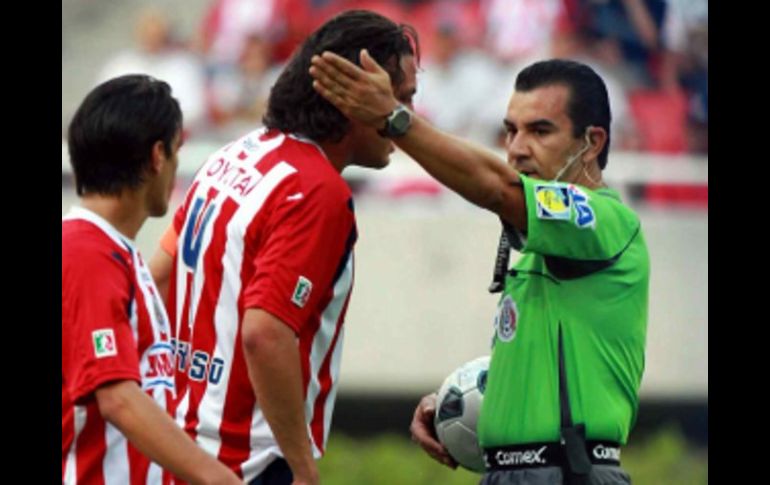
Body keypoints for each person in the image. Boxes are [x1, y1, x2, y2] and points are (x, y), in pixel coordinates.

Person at [309, 54, 649, 484]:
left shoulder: (605, 222)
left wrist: (394, 119)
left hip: (568, 473)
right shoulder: (547, 246)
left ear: (592, 142)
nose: (517, 148)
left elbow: (497, 188)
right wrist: (456, 402)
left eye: (540, 131)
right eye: (511, 130)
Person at [148, 10, 419, 485]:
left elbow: (160, 275)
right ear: (354, 95)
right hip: (249, 462)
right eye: (403, 98)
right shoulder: (317, 191)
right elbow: (265, 332)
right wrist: (302, 467)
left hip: (181, 453)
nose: (408, 118)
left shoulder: (235, 153)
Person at [62, 75, 241, 484]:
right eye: (177, 151)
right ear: (158, 156)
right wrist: (221, 479)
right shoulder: (85, 253)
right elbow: (118, 398)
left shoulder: (115, 253)